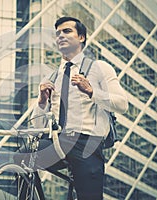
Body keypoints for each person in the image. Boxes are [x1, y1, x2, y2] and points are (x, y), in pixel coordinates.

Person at [15, 16, 128, 199]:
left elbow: (123, 104)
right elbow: (37, 127)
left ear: (81, 37)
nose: (60, 36)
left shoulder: (100, 68)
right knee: (21, 158)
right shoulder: (52, 77)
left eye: (67, 31)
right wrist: (42, 102)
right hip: (57, 141)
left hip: (86, 143)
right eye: (57, 33)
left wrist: (92, 91)